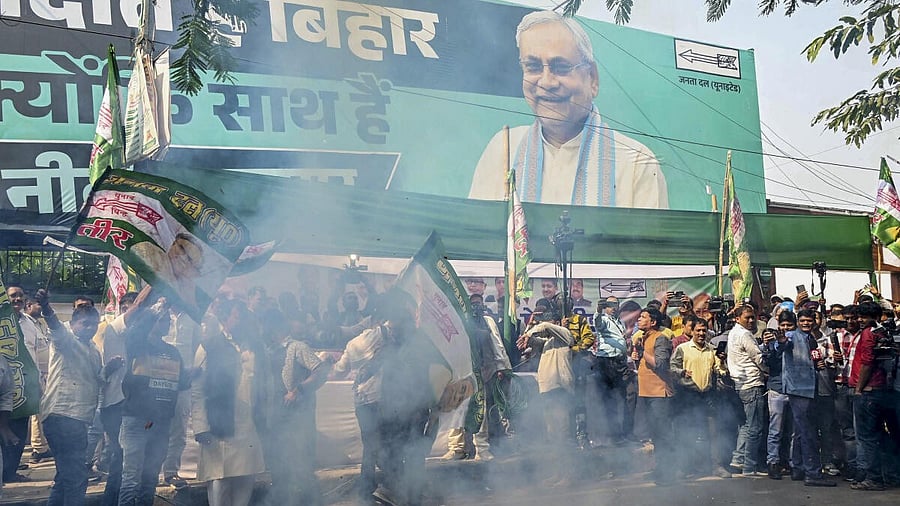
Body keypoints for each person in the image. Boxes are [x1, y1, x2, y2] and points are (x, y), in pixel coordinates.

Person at [468, 10, 667, 208]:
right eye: (533, 67)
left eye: (561, 67)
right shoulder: (503, 149)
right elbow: (473, 237)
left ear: (592, 78)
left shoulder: (637, 163)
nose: (546, 82)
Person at [117, 293, 191, 505]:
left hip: (161, 423)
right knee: (131, 478)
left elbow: (181, 384)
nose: (167, 323)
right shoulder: (137, 345)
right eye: (162, 320)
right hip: (136, 419)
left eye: (168, 321)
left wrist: (193, 375)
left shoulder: (173, 352)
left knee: (150, 478)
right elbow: (137, 329)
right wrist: (159, 306)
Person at [192, 299, 268, 506]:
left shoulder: (255, 347)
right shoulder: (209, 346)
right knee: (219, 483)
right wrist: (200, 426)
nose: (241, 319)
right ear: (225, 319)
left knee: (245, 481)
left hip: (248, 426)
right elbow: (197, 390)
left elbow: (264, 385)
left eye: (243, 315)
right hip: (220, 426)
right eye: (237, 315)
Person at [36, 289, 103, 506]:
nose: (90, 329)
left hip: (79, 419)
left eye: (94, 324)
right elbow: (55, 327)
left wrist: (109, 369)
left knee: (65, 479)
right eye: (85, 324)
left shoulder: (93, 350)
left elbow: (96, 378)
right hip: (61, 416)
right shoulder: (66, 340)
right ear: (73, 324)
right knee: (76, 479)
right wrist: (46, 307)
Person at [263, 308, 328, 506]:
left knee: (300, 465)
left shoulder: (297, 347)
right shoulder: (269, 350)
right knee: (279, 465)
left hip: (297, 417)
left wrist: (298, 390)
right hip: (276, 415)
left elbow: (321, 370)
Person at [770, 309, 836, 487]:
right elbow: (781, 346)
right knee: (808, 433)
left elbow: (813, 358)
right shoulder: (791, 335)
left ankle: (799, 469)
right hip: (799, 390)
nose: (806, 323)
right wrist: (781, 342)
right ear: (798, 321)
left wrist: (819, 363)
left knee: (801, 432)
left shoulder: (810, 338)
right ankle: (813, 473)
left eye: (809, 320)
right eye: (803, 320)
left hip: (809, 388)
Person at [518, 307, 575, 486]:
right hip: (548, 392)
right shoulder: (547, 342)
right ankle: (558, 473)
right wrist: (529, 329)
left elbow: (545, 327)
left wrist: (539, 325)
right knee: (553, 436)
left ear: (556, 323)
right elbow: (530, 339)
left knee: (563, 436)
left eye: (550, 322)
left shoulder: (565, 335)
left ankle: (568, 475)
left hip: (560, 391)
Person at [670, 318, 731, 478]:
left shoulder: (712, 350)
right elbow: (673, 368)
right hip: (688, 396)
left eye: (704, 331)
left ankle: (716, 466)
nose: (701, 334)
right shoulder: (682, 349)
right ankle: (683, 468)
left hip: (708, 396)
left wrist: (723, 362)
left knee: (713, 433)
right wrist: (681, 373)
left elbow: (721, 371)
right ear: (692, 331)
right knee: (686, 433)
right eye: (698, 330)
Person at [848, 301, 895, 491]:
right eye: (859, 316)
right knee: (881, 436)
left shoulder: (868, 334)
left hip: (868, 391)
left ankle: (874, 478)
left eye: (864, 317)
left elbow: (867, 362)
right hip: (881, 389)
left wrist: (859, 388)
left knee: (867, 437)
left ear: (875, 317)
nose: (860, 320)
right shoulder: (882, 333)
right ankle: (889, 475)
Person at [631, 308, 675, 485]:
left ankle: (667, 473)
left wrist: (642, 353)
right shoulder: (644, 339)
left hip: (659, 394)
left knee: (663, 434)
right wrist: (637, 357)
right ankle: (659, 469)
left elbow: (661, 364)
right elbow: (645, 363)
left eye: (643, 317)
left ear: (653, 322)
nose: (639, 320)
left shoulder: (661, 338)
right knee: (655, 434)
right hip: (647, 392)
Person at [4, 286, 43, 482]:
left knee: (19, 431)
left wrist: (39, 382)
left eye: (20, 296)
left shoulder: (30, 323)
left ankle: (10, 472)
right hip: (4, 386)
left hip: (26, 386)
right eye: (13, 296)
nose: (17, 299)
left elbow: (38, 353)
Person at [161, 302, 201, 489]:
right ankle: (151, 472)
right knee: (156, 428)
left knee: (179, 428)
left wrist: (195, 367)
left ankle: (171, 472)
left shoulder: (193, 317)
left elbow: (197, 347)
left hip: (183, 381)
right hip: (159, 381)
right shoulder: (158, 313)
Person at [726, 305, 767, 477]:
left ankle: (739, 459)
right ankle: (750, 466)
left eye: (753, 317)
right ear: (737, 318)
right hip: (751, 384)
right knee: (755, 427)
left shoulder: (733, 333)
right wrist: (769, 371)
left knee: (746, 425)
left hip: (740, 384)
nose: (751, 321)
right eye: (747, 317)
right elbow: (759, 358)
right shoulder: (744, 334)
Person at [591, 296, 628, 445]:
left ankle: (618, 434)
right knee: (608, 400)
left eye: (616, 304)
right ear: (605, 306)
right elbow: (598, 324)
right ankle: (612, 436)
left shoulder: (620, 322)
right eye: (610, 304)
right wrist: (598, 311)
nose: (613, 307)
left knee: (619, 398)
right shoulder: (604, 319)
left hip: (619, 361)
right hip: (606, 361)